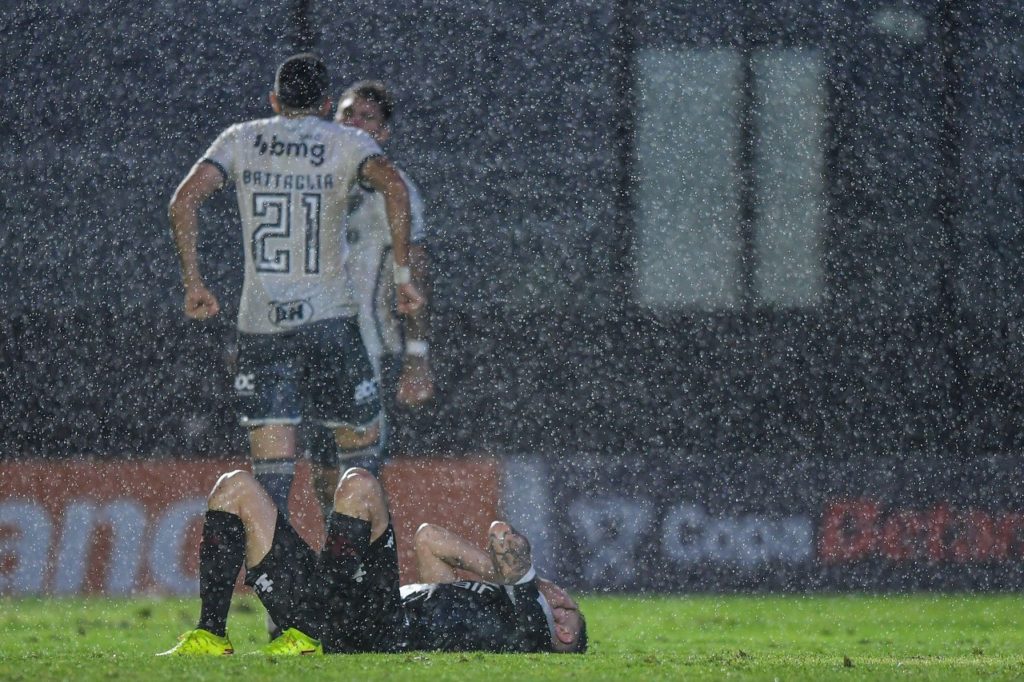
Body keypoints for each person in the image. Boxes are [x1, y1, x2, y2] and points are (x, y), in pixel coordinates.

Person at [168, 54, 423, 519]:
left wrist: (194, 282)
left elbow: (183, 200)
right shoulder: (344, 143)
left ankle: (279, 583)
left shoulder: (241, 138)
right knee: (358, 456)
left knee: (271, 467)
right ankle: (357, 579)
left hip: (262, 326)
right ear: (327, 104)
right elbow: (396, 188)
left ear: (273, 100)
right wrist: (404, 278)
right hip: (330, 321)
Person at [157, 466, 587, 655]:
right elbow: (429, 540)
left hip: (377, 625)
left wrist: (525, 581)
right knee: (234, 489)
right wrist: (499, 578)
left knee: (361, 487)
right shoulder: (490, 607)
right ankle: (212, 635)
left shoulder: (529, 630)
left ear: (563, 631)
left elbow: (501, 535)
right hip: (344, 606)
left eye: (567, 606)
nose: (563, 596)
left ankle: (311, 629)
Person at [305, 80, 435, 515]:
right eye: (347, 113)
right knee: (323, 471)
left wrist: (417, 356)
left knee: (359, 472)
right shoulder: (309, 181)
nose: (354, 123)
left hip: (366, 347)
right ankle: (338, 567)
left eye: (367, 117)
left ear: (382, 133)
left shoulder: (395, 190)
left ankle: (363, 569)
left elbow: (416, 274)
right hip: (310, 343)